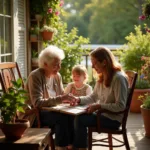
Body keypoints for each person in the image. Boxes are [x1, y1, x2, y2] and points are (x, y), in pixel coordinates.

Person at [67, 46, 129, 150]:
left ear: (104, 62)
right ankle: (77, 145)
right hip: (103, 115)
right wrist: (79, 100)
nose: (92, 67)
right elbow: (94, 96)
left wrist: (99, 106)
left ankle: (79, 147)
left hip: (113, 119)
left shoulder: (119, 78)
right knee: (74, 115)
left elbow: (120, 106)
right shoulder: (102, 77)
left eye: (94, 63)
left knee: (80, 119)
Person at [26, 45, 72, 150]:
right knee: (62, 118)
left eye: (60, 63)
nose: (59, 67)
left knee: (73, 116)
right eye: (56, 65)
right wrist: (61, 99)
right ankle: (61, 147)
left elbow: (61, 96)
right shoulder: (35, 76)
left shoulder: (57, 76)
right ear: (45, 65)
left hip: (50, 111)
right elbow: (37, 103)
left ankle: (70, 146)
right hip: (33, 114)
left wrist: (69, 100)